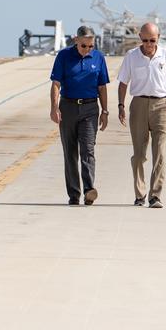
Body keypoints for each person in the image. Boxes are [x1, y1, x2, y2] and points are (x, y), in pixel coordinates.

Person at [117, 23, 166, 208]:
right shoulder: (132, 57)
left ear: (158, 37)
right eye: (145, 40)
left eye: (152, 40)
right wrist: (121, 106)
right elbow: (122, 83)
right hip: (139, 105)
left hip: (161, 105)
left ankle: (155, 195)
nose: (148, 44)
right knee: (138, 154)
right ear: (139, 38)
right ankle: (140, 194)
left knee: (159, 152)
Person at [49, 25, 110, 205]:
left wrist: (105, 111)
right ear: (76, 40)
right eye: (84, 46)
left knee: (88, 150)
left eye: (91, 46)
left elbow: (102, 87)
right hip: (68, 107)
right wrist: (54, 107)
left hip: (90, 109)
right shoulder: (64, 56)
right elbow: (56, 84)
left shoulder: (98, 58)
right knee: (70, 152)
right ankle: (74, 194)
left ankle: (89, 189)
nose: (87, 49)